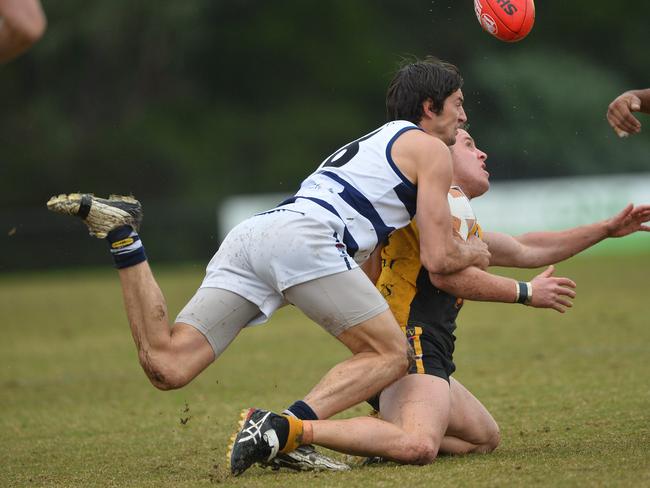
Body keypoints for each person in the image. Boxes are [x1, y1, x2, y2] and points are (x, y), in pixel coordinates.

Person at [46, 56, 491, 476]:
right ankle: (285, 433)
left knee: (168, 365)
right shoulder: (430, 149)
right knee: (391, 354)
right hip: (306, 240)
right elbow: (440, 258)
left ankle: (124, 236)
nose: (464, 116)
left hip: (257, 232)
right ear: (430, 107)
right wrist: (476, 251)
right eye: (458, 105)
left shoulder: (375, 142)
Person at [253, 128, 650, 468]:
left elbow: (527, 247)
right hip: (409, 345)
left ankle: (380, 439)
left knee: (482, 438)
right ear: (440, 157)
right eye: (468, 144)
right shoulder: (435, 200)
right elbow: (446, 276)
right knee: (420, 445)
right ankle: (285, 430)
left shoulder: (448, 216)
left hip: (428, 346)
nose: (482, 153)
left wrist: (606, 229)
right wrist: (527, 292)